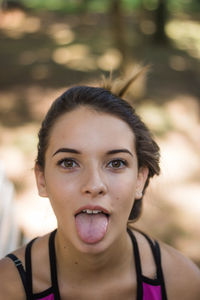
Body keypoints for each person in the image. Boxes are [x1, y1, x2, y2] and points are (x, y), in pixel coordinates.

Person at [0, 72, 200, 300]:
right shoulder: (7, 287)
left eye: (116, 163)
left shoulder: (182, 284)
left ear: (140, 179)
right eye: (69, 163)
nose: (94, 185)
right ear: (42, 179)